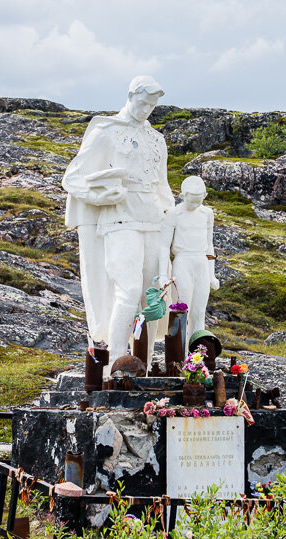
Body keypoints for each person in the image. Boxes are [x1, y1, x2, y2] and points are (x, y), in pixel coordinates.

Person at [61, 75, 175, 364]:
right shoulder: (106, 132)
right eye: (142, 102)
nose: (146, 109)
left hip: (151, 219)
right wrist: (100, 197)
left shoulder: (156, 139)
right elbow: (72, 178)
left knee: (152, 296)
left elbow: (162, 186)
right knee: (129, 289)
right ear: (130, 96)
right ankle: (116, 363)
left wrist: (171, 219)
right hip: (119, 218)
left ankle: (145, 364)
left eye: (152, 105)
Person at [159, 175, 218, 334]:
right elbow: (164, 246)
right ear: (183, 196)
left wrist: (212, 274)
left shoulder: (207, 213)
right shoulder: (174, 214)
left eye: (198, 201)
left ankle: (197, 355)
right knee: (181, 309)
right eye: (191, 201)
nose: (195, 205)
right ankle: (178, 354)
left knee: (199, 312)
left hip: (201, 263)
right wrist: (163, 274)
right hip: (183, 261)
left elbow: (209, 245)